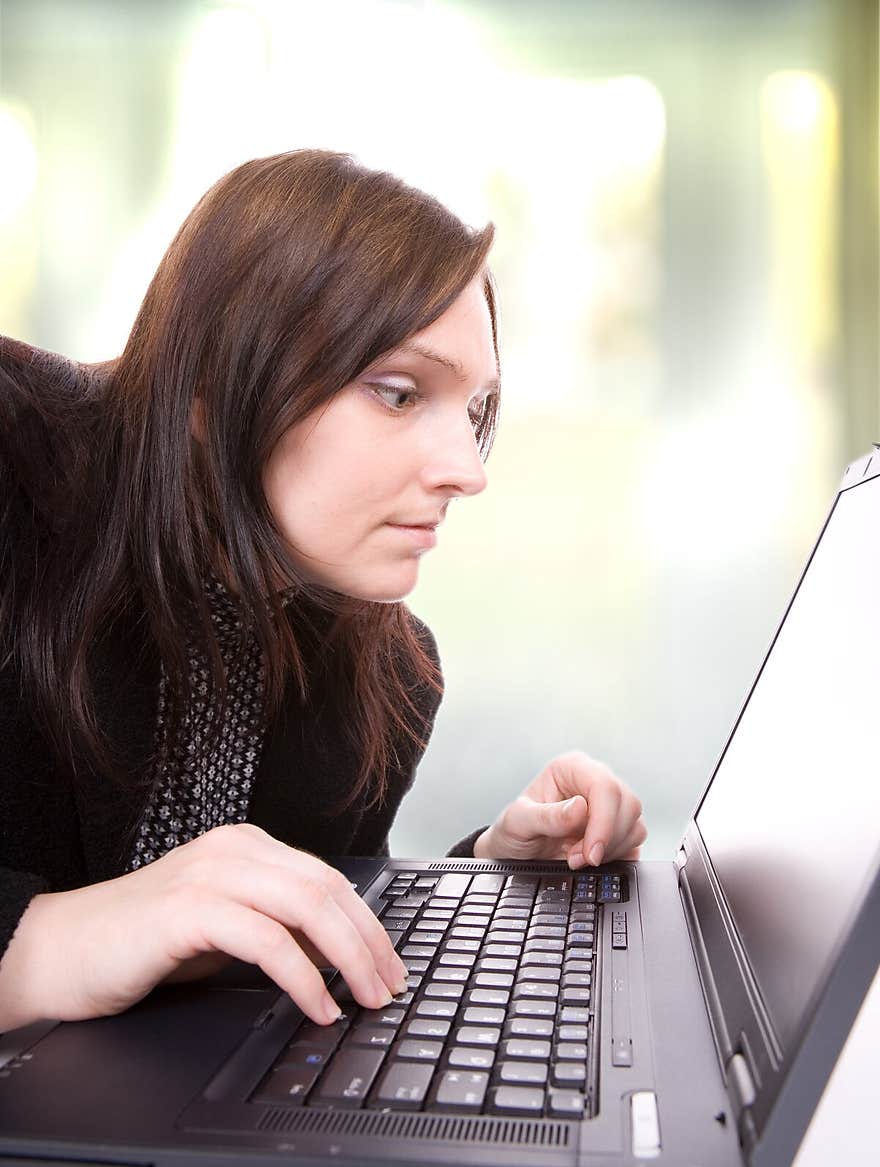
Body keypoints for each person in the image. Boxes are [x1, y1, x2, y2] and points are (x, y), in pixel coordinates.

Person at [0, 149, 647, 1037]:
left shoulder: (385, 676)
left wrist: (490, 873)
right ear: (212, 381)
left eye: (473, 411)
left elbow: (301, 951)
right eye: (397, 393)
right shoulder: (12, 466)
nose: (467, 470)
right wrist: (50, 942)